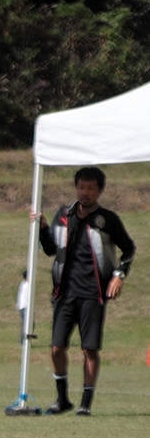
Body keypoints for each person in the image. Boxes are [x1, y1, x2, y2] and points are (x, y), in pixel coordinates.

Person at [35, 166, 135, 416]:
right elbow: (50, 250)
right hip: (64, 294)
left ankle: (85, 404)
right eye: (81, 187)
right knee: (56, 348)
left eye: (91, 188)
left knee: (89, 349)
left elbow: (129, 249)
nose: (85, 192)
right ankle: (62, 399)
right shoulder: (63, 215)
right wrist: (43, 228)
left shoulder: (107, 219)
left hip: (94, 293)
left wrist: (119, 275)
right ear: (76, 188)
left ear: (100, 190)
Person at [16, 270, 30, 346]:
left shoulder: (23, 284)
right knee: (27, 324)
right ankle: (23, 341)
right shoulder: (27, 285)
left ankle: (24, 340)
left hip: (21, 306)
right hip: (25, 306)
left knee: (27, 324)